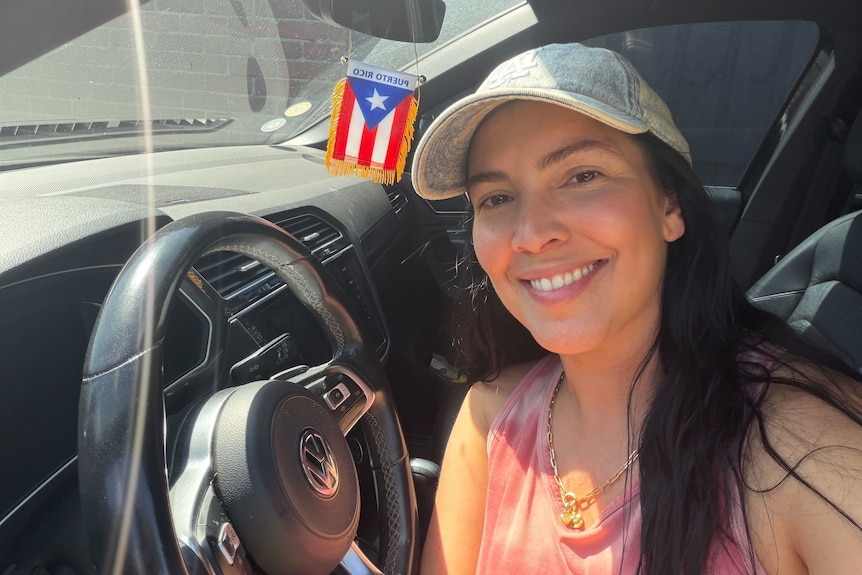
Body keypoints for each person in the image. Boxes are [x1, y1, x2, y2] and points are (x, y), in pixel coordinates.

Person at [409, 42, 862, 574]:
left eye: (582, 176)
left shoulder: (804, 451)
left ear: (669, 204)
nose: (530, 235)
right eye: (497, 199)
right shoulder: (491, 415)